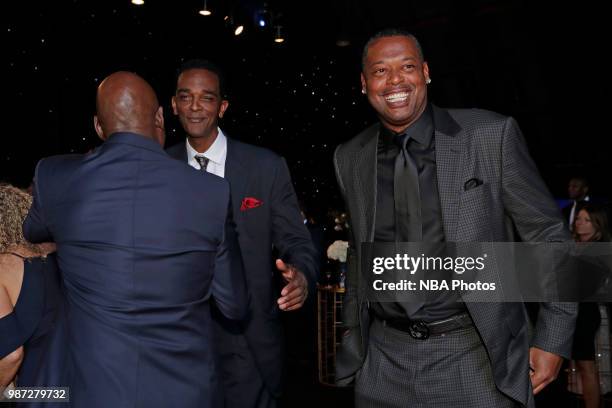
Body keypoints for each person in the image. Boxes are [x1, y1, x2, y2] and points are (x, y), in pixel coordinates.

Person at [333, 29, 577, 407]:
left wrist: (553, 338)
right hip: (382, 363)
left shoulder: (489, 135)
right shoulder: (349, 156)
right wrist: (354, 333)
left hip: (474, 357)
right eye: (381, 71)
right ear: (364, 84)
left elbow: (550, 235)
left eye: (407, 67)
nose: (395, 80)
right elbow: (359, 248)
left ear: (426, 73)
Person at [23, 71, 247, 408]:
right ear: (160, 117)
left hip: (93, 392)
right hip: (186, 394)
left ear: (99, 127)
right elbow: (234, 305)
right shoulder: (211, 192)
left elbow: (31, 232)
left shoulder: (56, 177)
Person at [166, 59, 318, 408]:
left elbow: (297, 241)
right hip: (178, 343)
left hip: (249, 343)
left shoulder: (265, 167)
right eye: (186, 97)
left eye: (206, 98)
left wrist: (303, 277)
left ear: (222, 106)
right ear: (173, 104)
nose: (194, 107)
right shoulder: (159, 168)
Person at [0, 184, 59, 389]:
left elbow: (11, 356)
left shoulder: (3, 267)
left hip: (35, 392)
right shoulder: (53, 256)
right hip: (72, 384)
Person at [570, 203, 611, 408]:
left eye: (587, 220)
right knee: (578, 367)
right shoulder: (575, 246)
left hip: (587, 314)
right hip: (572, 313)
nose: (581, 225)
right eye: (578, 219)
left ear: (598, 225)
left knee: (587, 367)